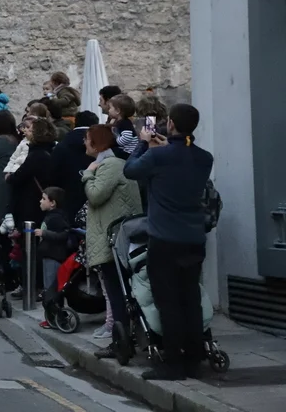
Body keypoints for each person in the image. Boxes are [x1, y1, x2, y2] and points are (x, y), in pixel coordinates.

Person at [123, 104, 214, 380]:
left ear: (170, 124)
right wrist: (165, 147)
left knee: (168, 301)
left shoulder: (157, 156)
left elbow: (130, 170)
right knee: (191, 298)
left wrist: (144, 143)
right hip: (194, 238)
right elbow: (181, 160)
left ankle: (174, 363)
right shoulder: (205, 158)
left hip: (164, 239)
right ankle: (194, 359)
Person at [82, 124, 143, 362]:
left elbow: (96, 195)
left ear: (96, 142)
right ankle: (124, 337)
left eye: (87, 138)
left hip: (114, 239)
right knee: (118, 290)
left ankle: (121, 341)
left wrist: (87, 174)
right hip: (116, 236)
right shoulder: (113, 164)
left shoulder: (109, 165)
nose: (84, 142)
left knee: (117, 291)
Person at [36, 186, 70, 328]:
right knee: (49, 288)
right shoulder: (51, 216)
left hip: (53, 257)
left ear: (53, 203)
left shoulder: (56, 218)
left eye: (44, 199)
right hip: (48, 256)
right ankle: (52, 317)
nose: (40, 201)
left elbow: (64, 234)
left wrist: (44, 234)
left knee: (51, 289)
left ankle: (56, 318)